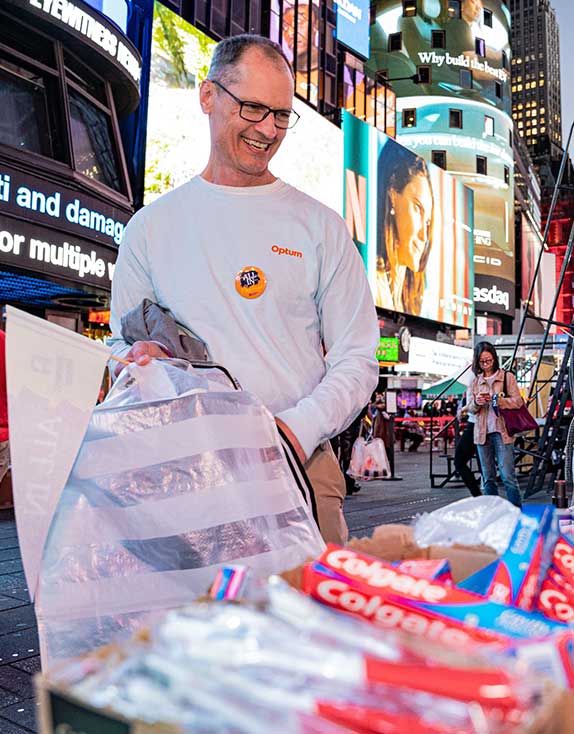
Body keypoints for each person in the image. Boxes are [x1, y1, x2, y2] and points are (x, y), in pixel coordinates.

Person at [108, 34, 379, 545]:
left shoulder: (320, 226)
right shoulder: (150, 228)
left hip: (302, 469)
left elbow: (358, 358)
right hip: (185, 479)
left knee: (312, 620)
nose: (268, 130)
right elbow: (120, 350)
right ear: (208, 96)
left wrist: (292, 431)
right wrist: (134, 360)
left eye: (281, 115)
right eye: (253, 108)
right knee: (197, 624)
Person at [375, 140, 434, 316]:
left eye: (428, 222)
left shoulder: (412, 299)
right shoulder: (370, 281)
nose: (424, 235)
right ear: (393, 195)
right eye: (417, 208)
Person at [467, 342, 523, 507]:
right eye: (482, 361)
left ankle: (517, 513)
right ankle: (492, 514)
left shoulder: (507, 377)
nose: (485, 364)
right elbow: (469, 408)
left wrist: (498, 401)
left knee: (507, 476)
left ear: (494, 359)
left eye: (489, 360)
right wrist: (477, 402)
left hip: (503, 432)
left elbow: (518, 402)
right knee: (488, 477)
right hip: (482, 434)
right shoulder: (476, 381)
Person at [453, 399, 482, 497]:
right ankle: (480, 495)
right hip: (481, 423)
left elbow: (474, 407)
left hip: (476, 423)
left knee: (459, 462)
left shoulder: (473, 384)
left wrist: (462, 409)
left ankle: (477, 495)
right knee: (485, 465)